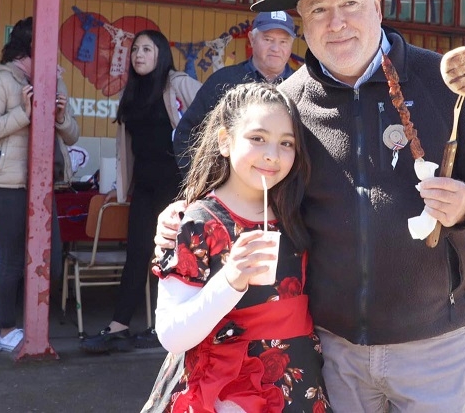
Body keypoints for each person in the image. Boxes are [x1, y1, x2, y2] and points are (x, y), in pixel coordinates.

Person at [156, 0, 465, 411]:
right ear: (302, 24)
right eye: (318, 10)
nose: (336, 23)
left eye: (349, 3)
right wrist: (185, 217)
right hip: (332, 346)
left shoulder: (441, 81)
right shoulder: (288, 101)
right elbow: (251, 183)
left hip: (433, 342)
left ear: (376, 3)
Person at [142, 82, 331, 412]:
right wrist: (230, 281)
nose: (272, 153)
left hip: (297, 381)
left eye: (286, 143)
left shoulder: (297, 215)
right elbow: (171, 335)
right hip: (224, 391)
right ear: (225, 141)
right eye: (257, 138)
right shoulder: (198, 221)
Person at [80, 30, 201, 354]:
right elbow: (127, 149)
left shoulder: (179, 84)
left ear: (161, 53)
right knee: (137, 254)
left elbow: (213, 119)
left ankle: (171, 327)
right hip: (145, 186)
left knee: (178, 258)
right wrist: (121, 184)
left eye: (147, 49)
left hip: (179, 187)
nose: (139, 55)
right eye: (135, 50)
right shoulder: (132, 92)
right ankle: (119, 327)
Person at [0, 16, 80, 353]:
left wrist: (61, 117)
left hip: (43, 184)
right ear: (28, 50)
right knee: (15, 260)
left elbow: (73, 133)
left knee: (54, 259)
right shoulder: (2, 81)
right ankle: (4, 326)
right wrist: (25, 113)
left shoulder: (50, 80)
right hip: (7, 184)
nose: (54, 58)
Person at [173, 11, 297, 175]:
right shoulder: (224, 80)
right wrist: (201, 183)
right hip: (228, 192)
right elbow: (186, 133)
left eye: (283, 42)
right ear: (252, 39)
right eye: (268, 39)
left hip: (285, 194)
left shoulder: (300, 86)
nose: (276, 48)